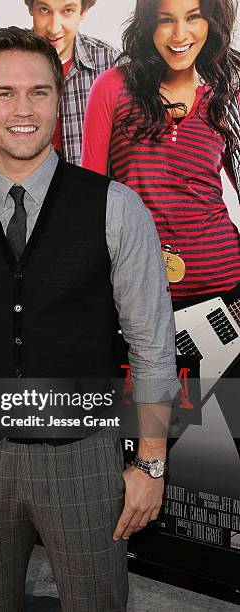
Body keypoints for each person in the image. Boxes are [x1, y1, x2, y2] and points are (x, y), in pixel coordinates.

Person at [0, 27, 179, 611]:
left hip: (84, 460)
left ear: (61, 99)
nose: (22, 110)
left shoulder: (116, 207)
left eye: (39, 92)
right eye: (4, 93)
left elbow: (153, 345)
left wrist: (150, 462)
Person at [82, 0, 240, 436]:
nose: (179, 34)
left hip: (225, 301)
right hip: (141, 305)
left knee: (225, 459)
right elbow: (90, 201)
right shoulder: (113, 87)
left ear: (212, 21)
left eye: (193, 17)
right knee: (149, 450)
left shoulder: (227, 91)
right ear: (149, 22)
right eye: (166, 19)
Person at [24, 0, 117, 165]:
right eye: (44, 10)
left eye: (67, 11)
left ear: (83, 10)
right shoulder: (7, 63)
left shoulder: (109, 63)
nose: (54, 28)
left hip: (88, 188)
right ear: (30, 7)